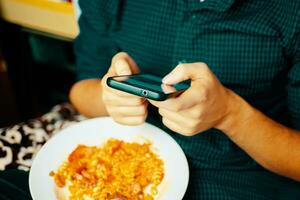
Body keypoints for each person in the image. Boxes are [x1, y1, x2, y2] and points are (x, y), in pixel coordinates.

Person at [69, 0, 300, 199]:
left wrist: (230, 115)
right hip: (125, 164)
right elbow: (81, 89)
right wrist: (110, 100)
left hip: (241, 182)